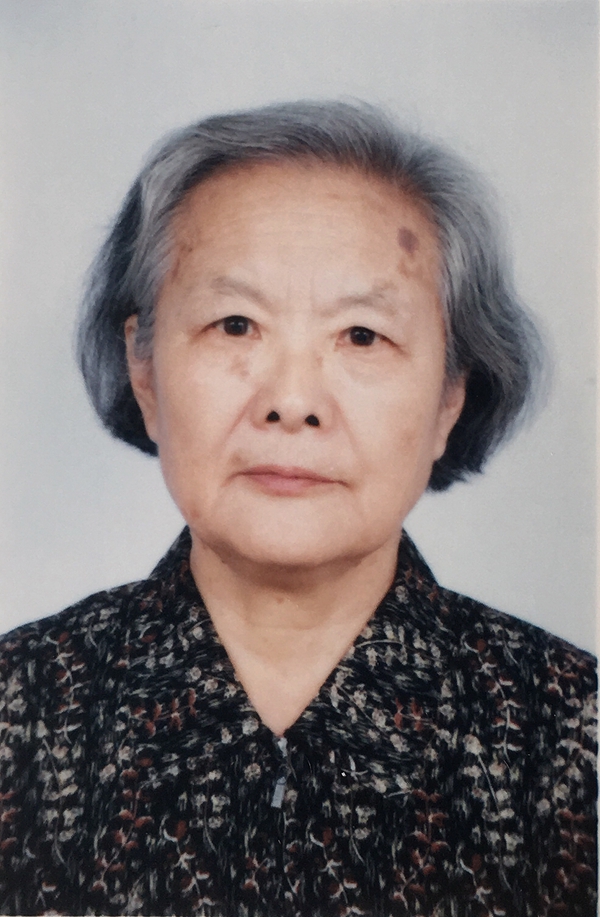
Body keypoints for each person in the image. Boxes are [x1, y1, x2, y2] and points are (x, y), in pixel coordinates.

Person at [0, 101, 596, 917]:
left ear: (450, 397)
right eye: (235, 323)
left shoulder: (570, 733)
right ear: (145, 373)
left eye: (362, 335)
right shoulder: (20, 709)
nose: (292, 401)